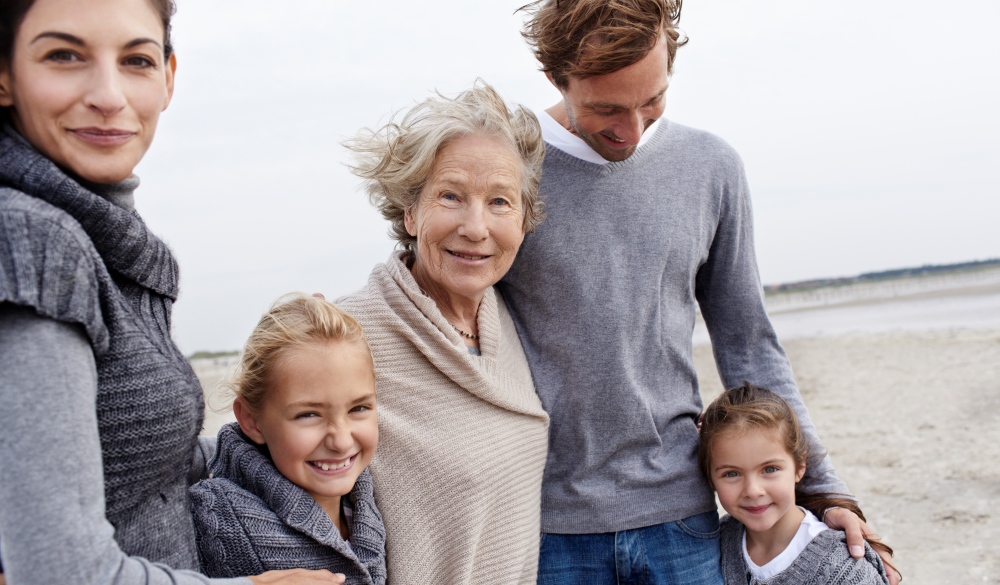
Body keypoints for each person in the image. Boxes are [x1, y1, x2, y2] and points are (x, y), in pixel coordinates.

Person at [497, 0, 900, 583]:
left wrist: (827, 490)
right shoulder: (507, 170)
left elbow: (749, 342)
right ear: (555, 76)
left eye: (652, 101)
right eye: (607, 108)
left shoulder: (710, 167)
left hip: (681, 518)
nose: (633, 130)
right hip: (545, 524)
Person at [0, 1, 342, 583]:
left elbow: (144, 473)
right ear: (5, 74)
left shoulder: (96, 233)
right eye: (64, 55)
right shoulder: (33, 240)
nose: (108, 94)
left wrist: (303, 432)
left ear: (168, 77)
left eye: (135, 59)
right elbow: (59, 571)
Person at [337, 81, 550, 583]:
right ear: (410, 212)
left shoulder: (507, 322)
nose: (476, 227)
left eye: (500, 202)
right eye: (451, 196)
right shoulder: (350, 335)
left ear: (523, 221)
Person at [190, 294, 386, 583]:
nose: (342, 442)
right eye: (309, 415)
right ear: (251, 420)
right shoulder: (210, 516)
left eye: (358, 408)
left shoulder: (371, 504)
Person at [698, 383, 893, 584]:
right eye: (731, 474)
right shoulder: (712, 546)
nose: (753, 491)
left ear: (800, 466)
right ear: (709, 477)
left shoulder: (845, 569)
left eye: (770, 469)